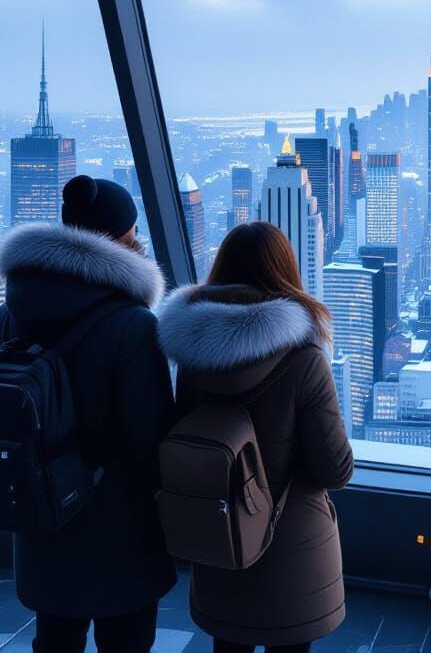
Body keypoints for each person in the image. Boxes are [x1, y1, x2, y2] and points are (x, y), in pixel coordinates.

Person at [0, 175, 176, 653]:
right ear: (118, 242)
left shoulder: (12, 311)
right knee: (126, 642)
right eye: (136, 235)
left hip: (42, 510)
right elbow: (147, 439)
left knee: (55, 638)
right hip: (118, 528)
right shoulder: (132, 325)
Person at [156, 221, 354, 653]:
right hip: (291, 545)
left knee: (228, 643)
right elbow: (334, 469)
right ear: (285, 271)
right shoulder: (304, 360)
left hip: (220, 538)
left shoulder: (193, 359)